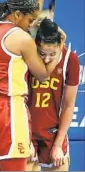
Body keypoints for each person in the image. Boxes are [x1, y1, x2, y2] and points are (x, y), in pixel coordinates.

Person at [0, 0, 62, 171]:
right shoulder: (21, 38)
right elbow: (43, 75)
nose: (31, 24)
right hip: (8, 109)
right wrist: (60, 46)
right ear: (17, 15)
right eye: (30, 19)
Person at [27, 18, 80, 171]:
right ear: (35, 44)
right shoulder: (26, 55)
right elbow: (19, 102)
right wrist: (25, 139)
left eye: (53, 54)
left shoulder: (70, 59)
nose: (47, 59)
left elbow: (69, 105)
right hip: (27, 131)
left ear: (60, 46)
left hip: (53, 133)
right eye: (42, 53)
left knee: (60, 163)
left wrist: (58, 145)